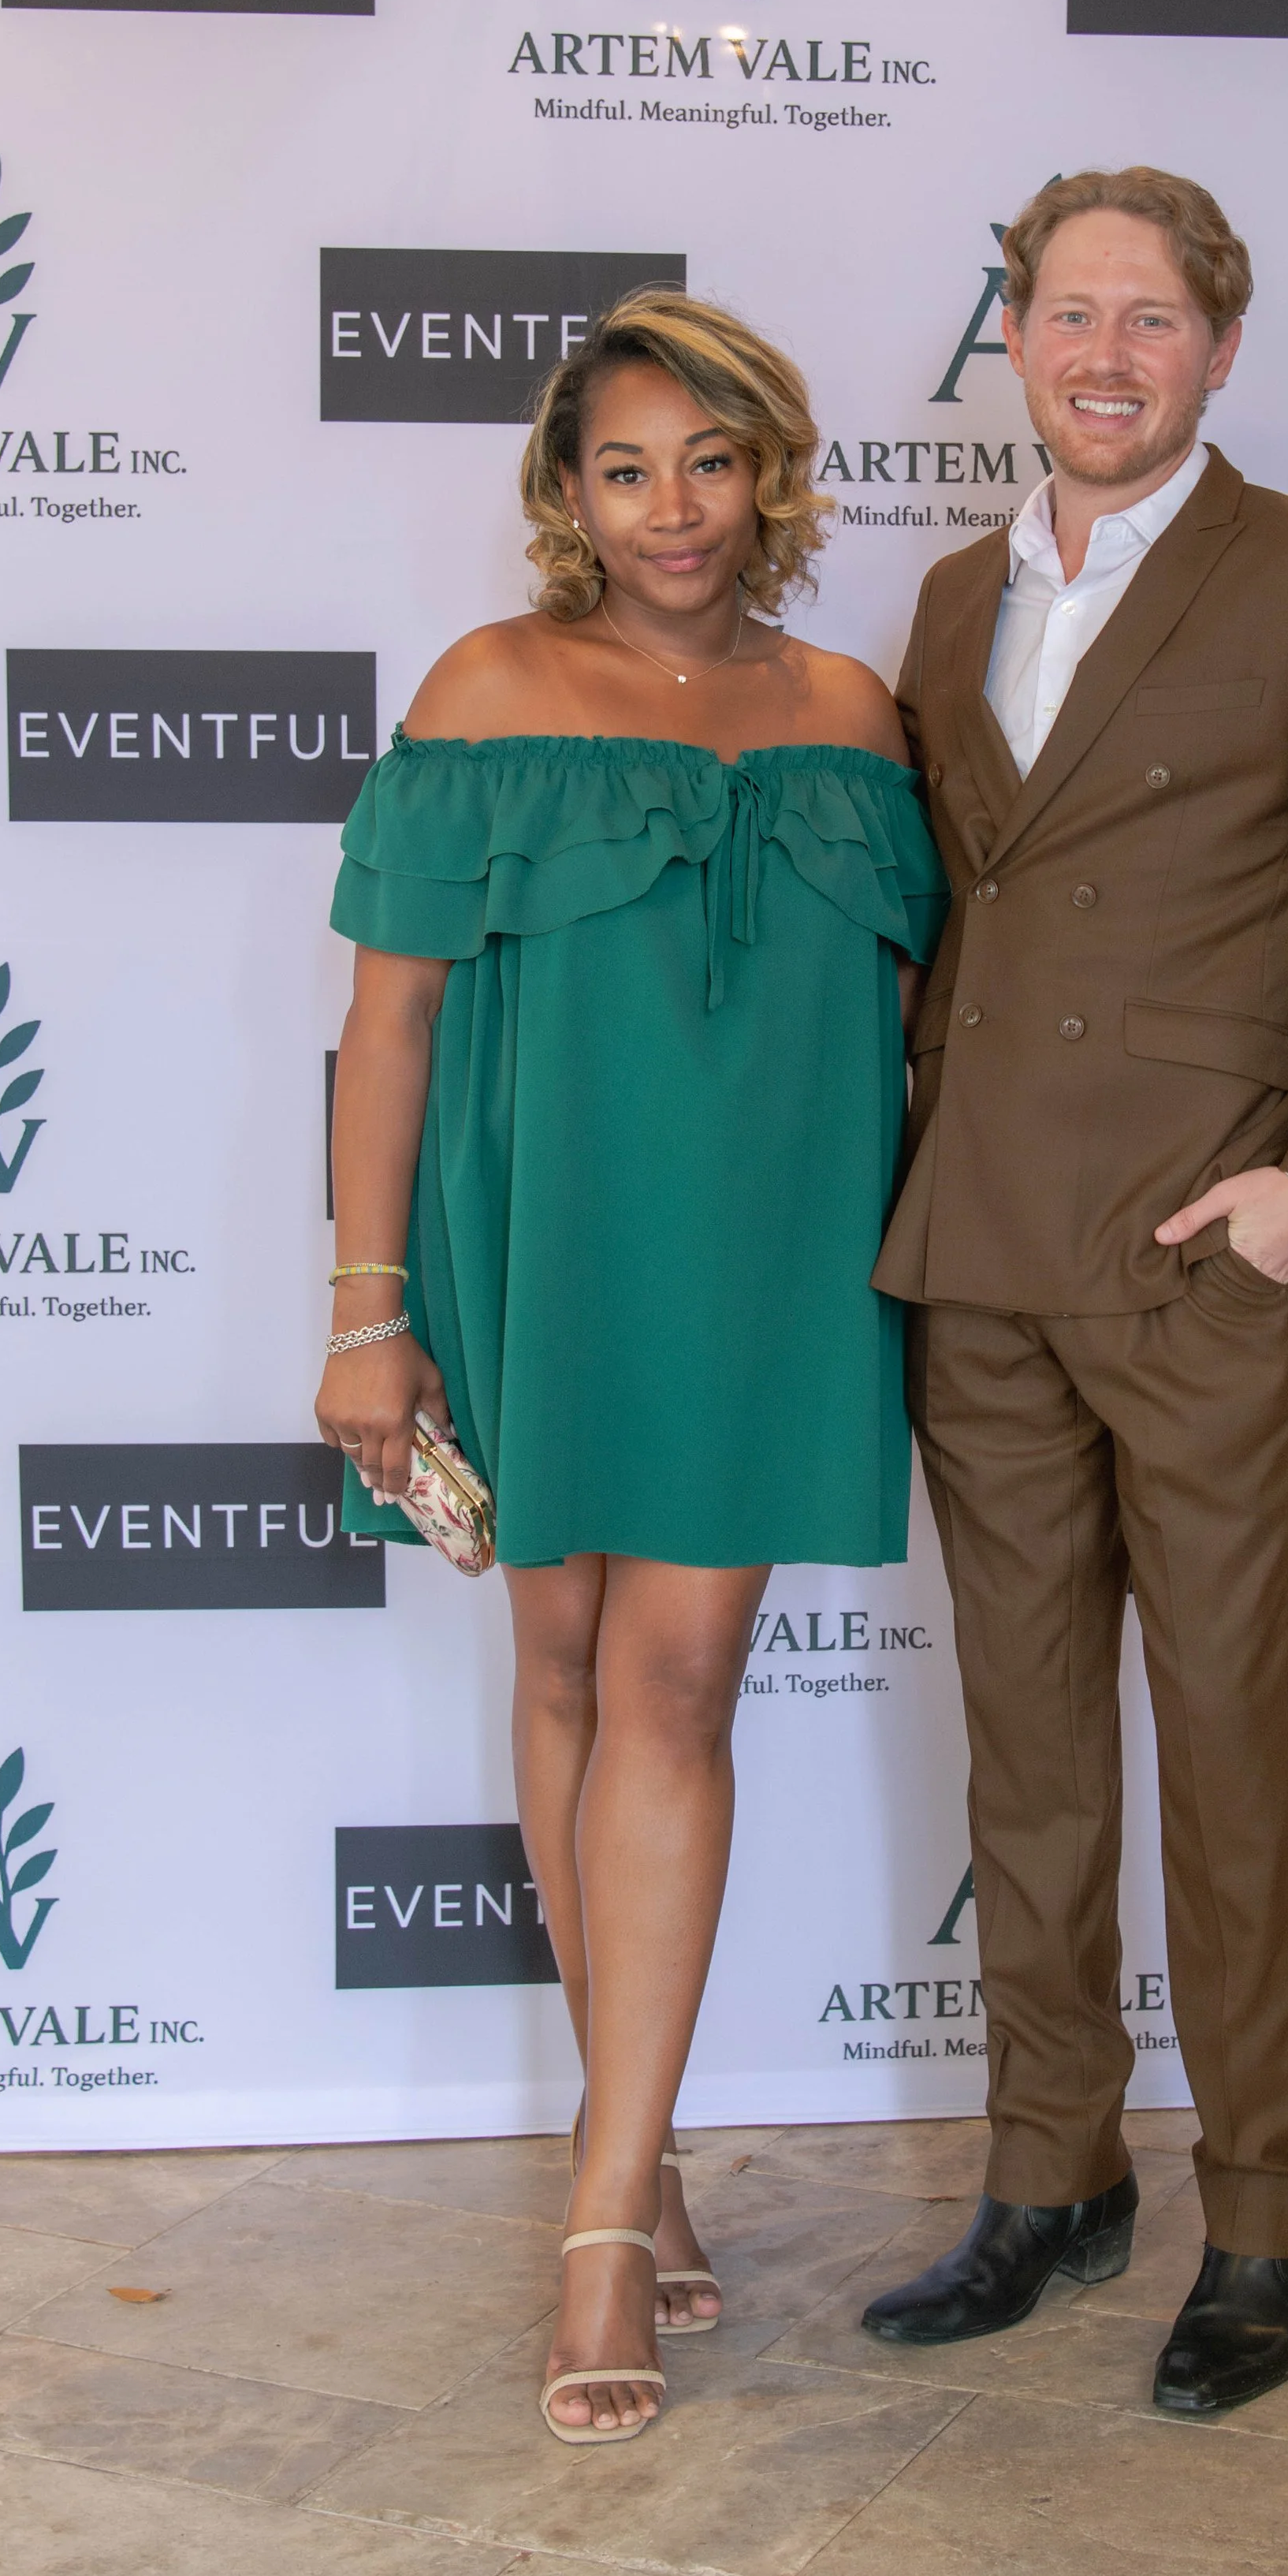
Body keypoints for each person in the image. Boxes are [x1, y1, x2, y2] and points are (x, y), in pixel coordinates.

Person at [861, 168, 1288, 2415]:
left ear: (1218, 346)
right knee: (1026, 1759)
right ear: (1011, 339)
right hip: (977, 1262)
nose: (1102, 352)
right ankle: (1050, 2177)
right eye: (1063, 311)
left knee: (1226, 1761)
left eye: (1148, 316)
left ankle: (1261, 2215)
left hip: (1194, 1265)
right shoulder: (947, 602)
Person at [315, 289, 947, 2447]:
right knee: (566, 1673)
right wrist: (366, 1311)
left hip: (771, 1266)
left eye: (710, 459)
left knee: (673, 1683)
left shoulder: (857, 711)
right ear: (564, 492)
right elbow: (389, 1025)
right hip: (536, 1239)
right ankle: (643, 2142)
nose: (671, 507)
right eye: (624, 466)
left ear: (768, 470)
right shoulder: (487, 689)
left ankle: (598, 2224)